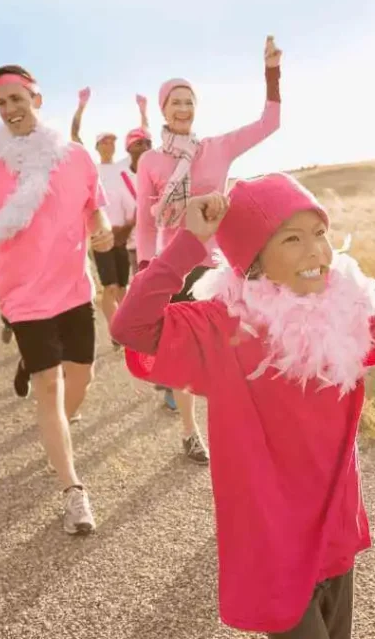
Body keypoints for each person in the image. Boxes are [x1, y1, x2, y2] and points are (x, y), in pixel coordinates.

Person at [112, 174, 375, 638]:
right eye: (292, 239)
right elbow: (130, 328)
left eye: (319, 234)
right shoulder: (223, 327)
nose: (315, 251)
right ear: (253, 262)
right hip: (272, 535)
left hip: (334, 520)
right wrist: (190, 244)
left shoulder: (346, 310)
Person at [0, 64, 116, 535]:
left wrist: (101, 229)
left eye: (16, 100)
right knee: (49, 387)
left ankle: (56, 433)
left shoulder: (76, 156)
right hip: (23, 297)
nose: (9, 110)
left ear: (36, 100)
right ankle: (73, 489)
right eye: (1, 104)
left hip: (74, 289)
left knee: (81, 376)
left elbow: (94, 210)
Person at [134, 35, 283, 464]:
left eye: (188, 101)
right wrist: (147, 270)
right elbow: (146, 223)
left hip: (218, 266)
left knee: (232, 350)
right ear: (163, 110)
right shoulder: (150, 162)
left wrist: (271, 74)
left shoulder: (216, 148)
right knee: (187, 354)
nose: (183, 108)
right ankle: (189, 431)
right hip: (175, 266)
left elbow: (268, 124)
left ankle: (237, 428)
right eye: (175, 102)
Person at [70, 89, 150, 326]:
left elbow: (143, 137)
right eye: (105, 141)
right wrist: (81, 106)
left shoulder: (123, 167)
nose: (109, 144)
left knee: (123, 288)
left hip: (122, 238)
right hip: (102, 235)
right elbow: (74, 135)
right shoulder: (91, 167)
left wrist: (143, 111)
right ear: (97, 146)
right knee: (110, 287)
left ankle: (124, 327)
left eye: (112, 141)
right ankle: (116, 329)